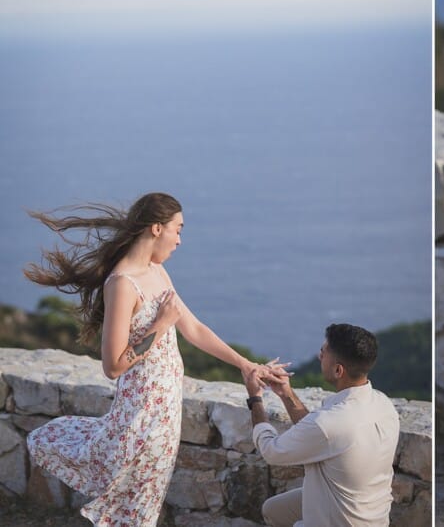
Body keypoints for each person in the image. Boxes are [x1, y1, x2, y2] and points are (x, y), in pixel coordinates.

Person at [24, 192, 285, 527]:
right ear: (157, 229)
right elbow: (112, 365)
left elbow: (193, 328)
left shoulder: (157, 271)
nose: (180, 239)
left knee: (145, 504)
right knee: (137, 508)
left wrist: (246, 365)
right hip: (140, 414)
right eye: (178, 229)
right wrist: (159, 327)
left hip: (166, 411)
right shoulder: (122, 284)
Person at [245, 322, 400, 527]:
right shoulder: (383, 403)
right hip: (371, 515)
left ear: (338, 370)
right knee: (273, 510)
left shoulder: (330, 422)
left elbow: (270, 451)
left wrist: (255, 397)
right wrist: (286, 394)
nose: (319, 356)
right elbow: (319, 433)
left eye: (323, 352)